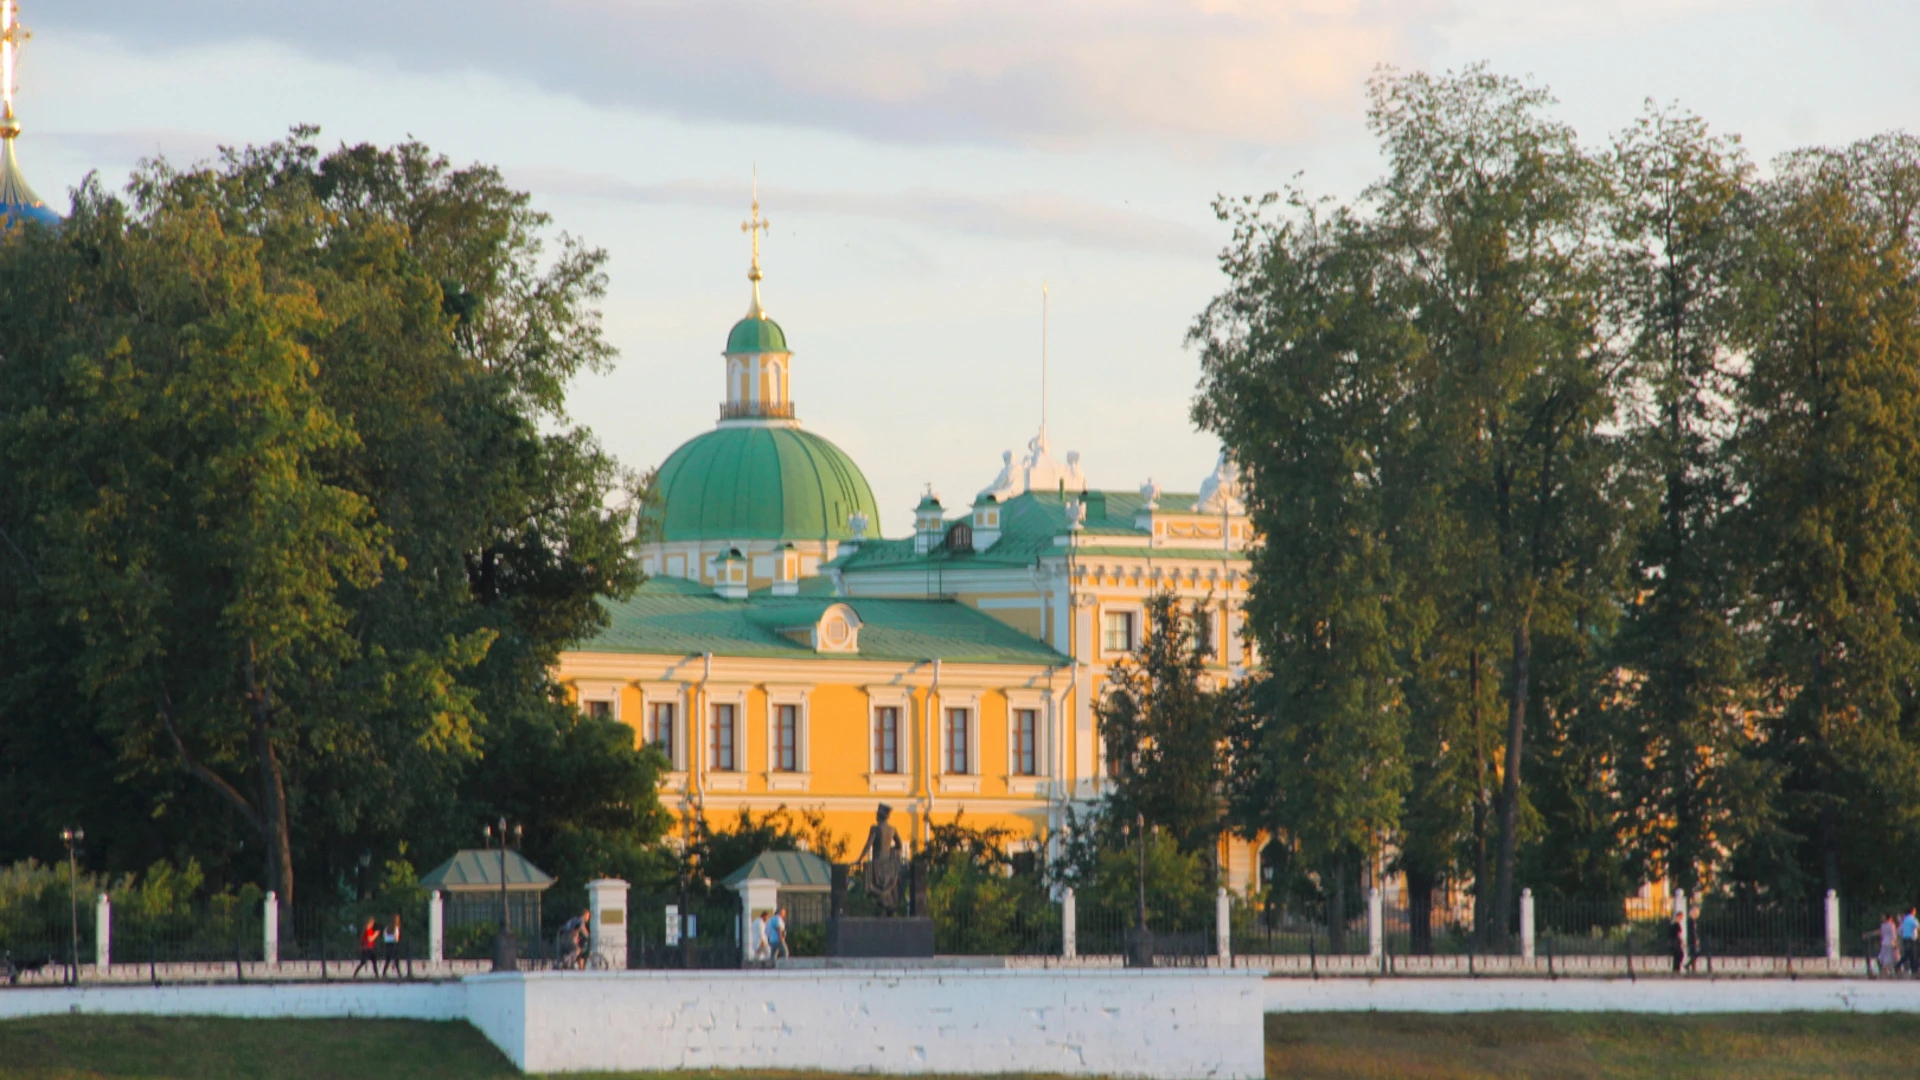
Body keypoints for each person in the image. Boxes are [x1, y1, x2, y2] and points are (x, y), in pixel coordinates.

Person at [1900, 907, 1918, 976]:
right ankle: (1914, 969)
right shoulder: (1913, 919)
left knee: (1909, 954)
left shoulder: (1905, 920)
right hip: (1912, 939)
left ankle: (1913, 969)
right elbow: (1917, 927)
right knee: (1913, 954)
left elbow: (1900, 930)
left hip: (1905, 938)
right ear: (1912, 912)